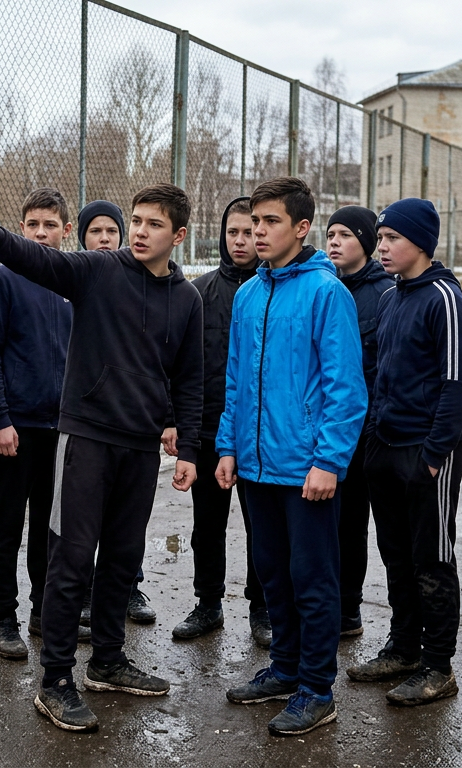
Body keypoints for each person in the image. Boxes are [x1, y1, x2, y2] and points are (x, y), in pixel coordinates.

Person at [0, 184, 203, 733]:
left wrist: (189, 446)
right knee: (71, 557)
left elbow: (189, 378)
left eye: (154, 224)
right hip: (86, 439)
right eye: (137, 220)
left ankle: (108, 661)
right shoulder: (99, 270)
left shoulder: (187, 299)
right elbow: (40, 260)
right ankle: (56, 680)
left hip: (140, 448)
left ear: (179, 235)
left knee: (121, 558)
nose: (140, 232)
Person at [217, 177, 367, 736]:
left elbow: (346, 389)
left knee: (312, 579)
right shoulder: (248, 295)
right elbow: (236, 381)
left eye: (270, 222)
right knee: (273, 575)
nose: (258, 232)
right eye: (254, 221)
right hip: (256, 465)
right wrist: (228, 446)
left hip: (306, 469)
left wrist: (328, 461)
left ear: (302, 228)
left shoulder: (327, 293)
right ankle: (284, 669)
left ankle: (317, 689)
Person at [344, 198, 462, 708]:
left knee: (432, 558)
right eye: (380, 238)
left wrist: (434, 454)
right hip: (385, 447)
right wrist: (373, 437)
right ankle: (403, 649)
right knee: (396, 555)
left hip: (427, 453)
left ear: (420, 242)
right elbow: (379, 374)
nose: (381, 247)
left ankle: (438, 667)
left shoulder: (445, 299)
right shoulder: (393, 297)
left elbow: (457, 385)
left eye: (391, 238)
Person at [0, 188, 83, 661]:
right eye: (33, 224)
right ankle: (4, 616)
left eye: (50, 225)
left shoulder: (74, 281)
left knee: (48, 523)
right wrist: (0, 418)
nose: (41, 233)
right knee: (7, 521)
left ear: (66, 230)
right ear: (21, 228)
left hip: (61, 427)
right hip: (16, 427)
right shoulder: (4, 280)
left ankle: (44, 611)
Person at [171, 196, 270, 647]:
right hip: (210, 430)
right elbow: (180, 366)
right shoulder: (199, 293)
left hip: (260, 435)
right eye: (233, 232)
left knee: (261, 527)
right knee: (207, 525)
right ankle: (208, 603)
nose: (241, 240)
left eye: (250, 232)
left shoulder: (273, 292)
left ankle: (262, 608)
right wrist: (178, 424)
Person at [74, 200, 158, 626]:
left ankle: (128, 587)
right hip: (85, 423)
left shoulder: (150, 286)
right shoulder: (80, 278)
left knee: (125, 523)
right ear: (81, 237)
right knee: (79, 522)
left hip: (132, 426)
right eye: (95, 231)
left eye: (112, 231)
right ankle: (83, 592)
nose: (105, 238)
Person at [325, 206, 393, 640]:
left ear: (366, 243)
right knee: (324, 523)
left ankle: (348, 610)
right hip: (327, 428)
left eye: (345, 235)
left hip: (366, 432)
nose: (335, 242)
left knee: (352, 523)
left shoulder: (384, 293)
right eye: (331, 234)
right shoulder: (323, 286)